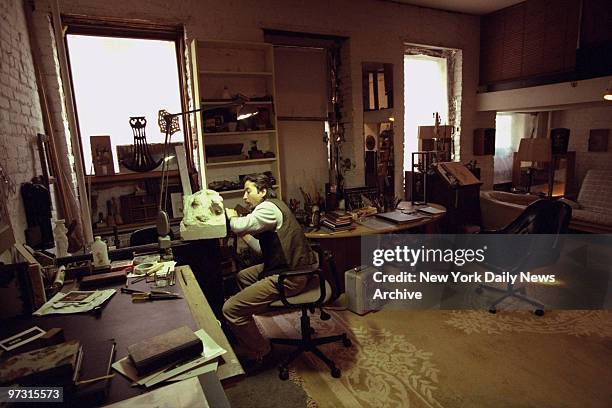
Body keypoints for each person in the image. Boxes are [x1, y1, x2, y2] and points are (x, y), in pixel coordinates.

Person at [222, 174, 316, 366]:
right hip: (287, 267)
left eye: (248, 191)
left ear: (263, 191)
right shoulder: (274, 205)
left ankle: (262, 350)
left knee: (230, 309)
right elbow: (259, 248)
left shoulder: (267, 208)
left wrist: (232, 217)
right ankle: (250, 323)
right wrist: (244, 234)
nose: (244, 197)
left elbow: (240, 224)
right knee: (243, 276)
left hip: (291, 276)